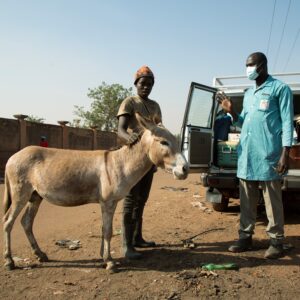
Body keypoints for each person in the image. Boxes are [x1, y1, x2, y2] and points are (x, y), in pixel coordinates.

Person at [216, 52, 294, 259]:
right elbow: (244, 123)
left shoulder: (280, 89)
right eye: (246, 65)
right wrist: (232, 112)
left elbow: (287, 122)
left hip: (269, 153)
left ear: (262, 65)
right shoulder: (249, 93)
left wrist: (285, 153)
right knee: (247, 199)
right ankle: (245, 236)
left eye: (251, 65)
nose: (248, 69)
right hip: (247, 154)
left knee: (272, 200)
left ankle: (276, 241)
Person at [117, 65, 162, 259]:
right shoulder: (129, 102)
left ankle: (137, 237)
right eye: (143, 83)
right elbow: (120, 129)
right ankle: (126, 246)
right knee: (130, 200)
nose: (146, 87)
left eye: (150, 84)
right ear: (136, 84)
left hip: (148, 161)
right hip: (131, 162)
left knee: (141, 200)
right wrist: (129, 139)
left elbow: (158, 131)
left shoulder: (155, 106)